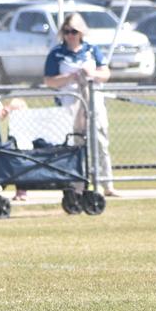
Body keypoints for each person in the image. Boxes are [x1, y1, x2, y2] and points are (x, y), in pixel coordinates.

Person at [43, 12, 117, 196]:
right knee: (75, 143)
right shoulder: (57, 53)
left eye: (73, 32)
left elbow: (105, 74)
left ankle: (106, 183)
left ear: (81, 32)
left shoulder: (92, 50)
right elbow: (49, 81)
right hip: (70, 103)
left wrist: (90, 74)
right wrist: (70, 77)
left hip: (93, 102)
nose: (70, 35)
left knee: (100, 140)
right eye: (66, 31)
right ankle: (78, 183)